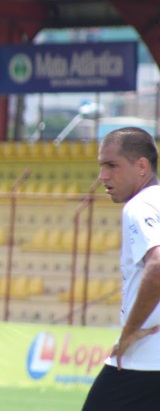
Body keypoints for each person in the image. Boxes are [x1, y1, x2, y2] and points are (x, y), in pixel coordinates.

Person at [82, 127, 160, 411]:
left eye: (112, 165)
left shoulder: (140, 206)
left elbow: (158, 265)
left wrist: (129, 332)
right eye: (102, 166)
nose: (103, 175)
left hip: (144, 360)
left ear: (141, 166)